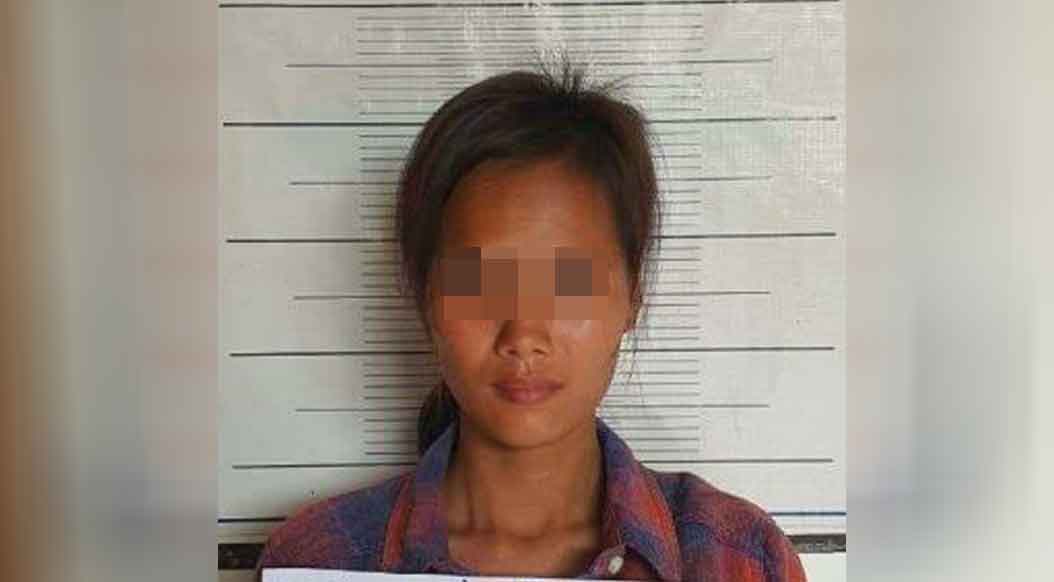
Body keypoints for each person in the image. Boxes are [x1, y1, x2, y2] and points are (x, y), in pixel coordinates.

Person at [255, 60, 807, 581]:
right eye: (479, 281)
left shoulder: (738, 559)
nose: (523, 335)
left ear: (632, 297)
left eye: (570, 282)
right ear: (427, 297)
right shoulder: (319, 557)